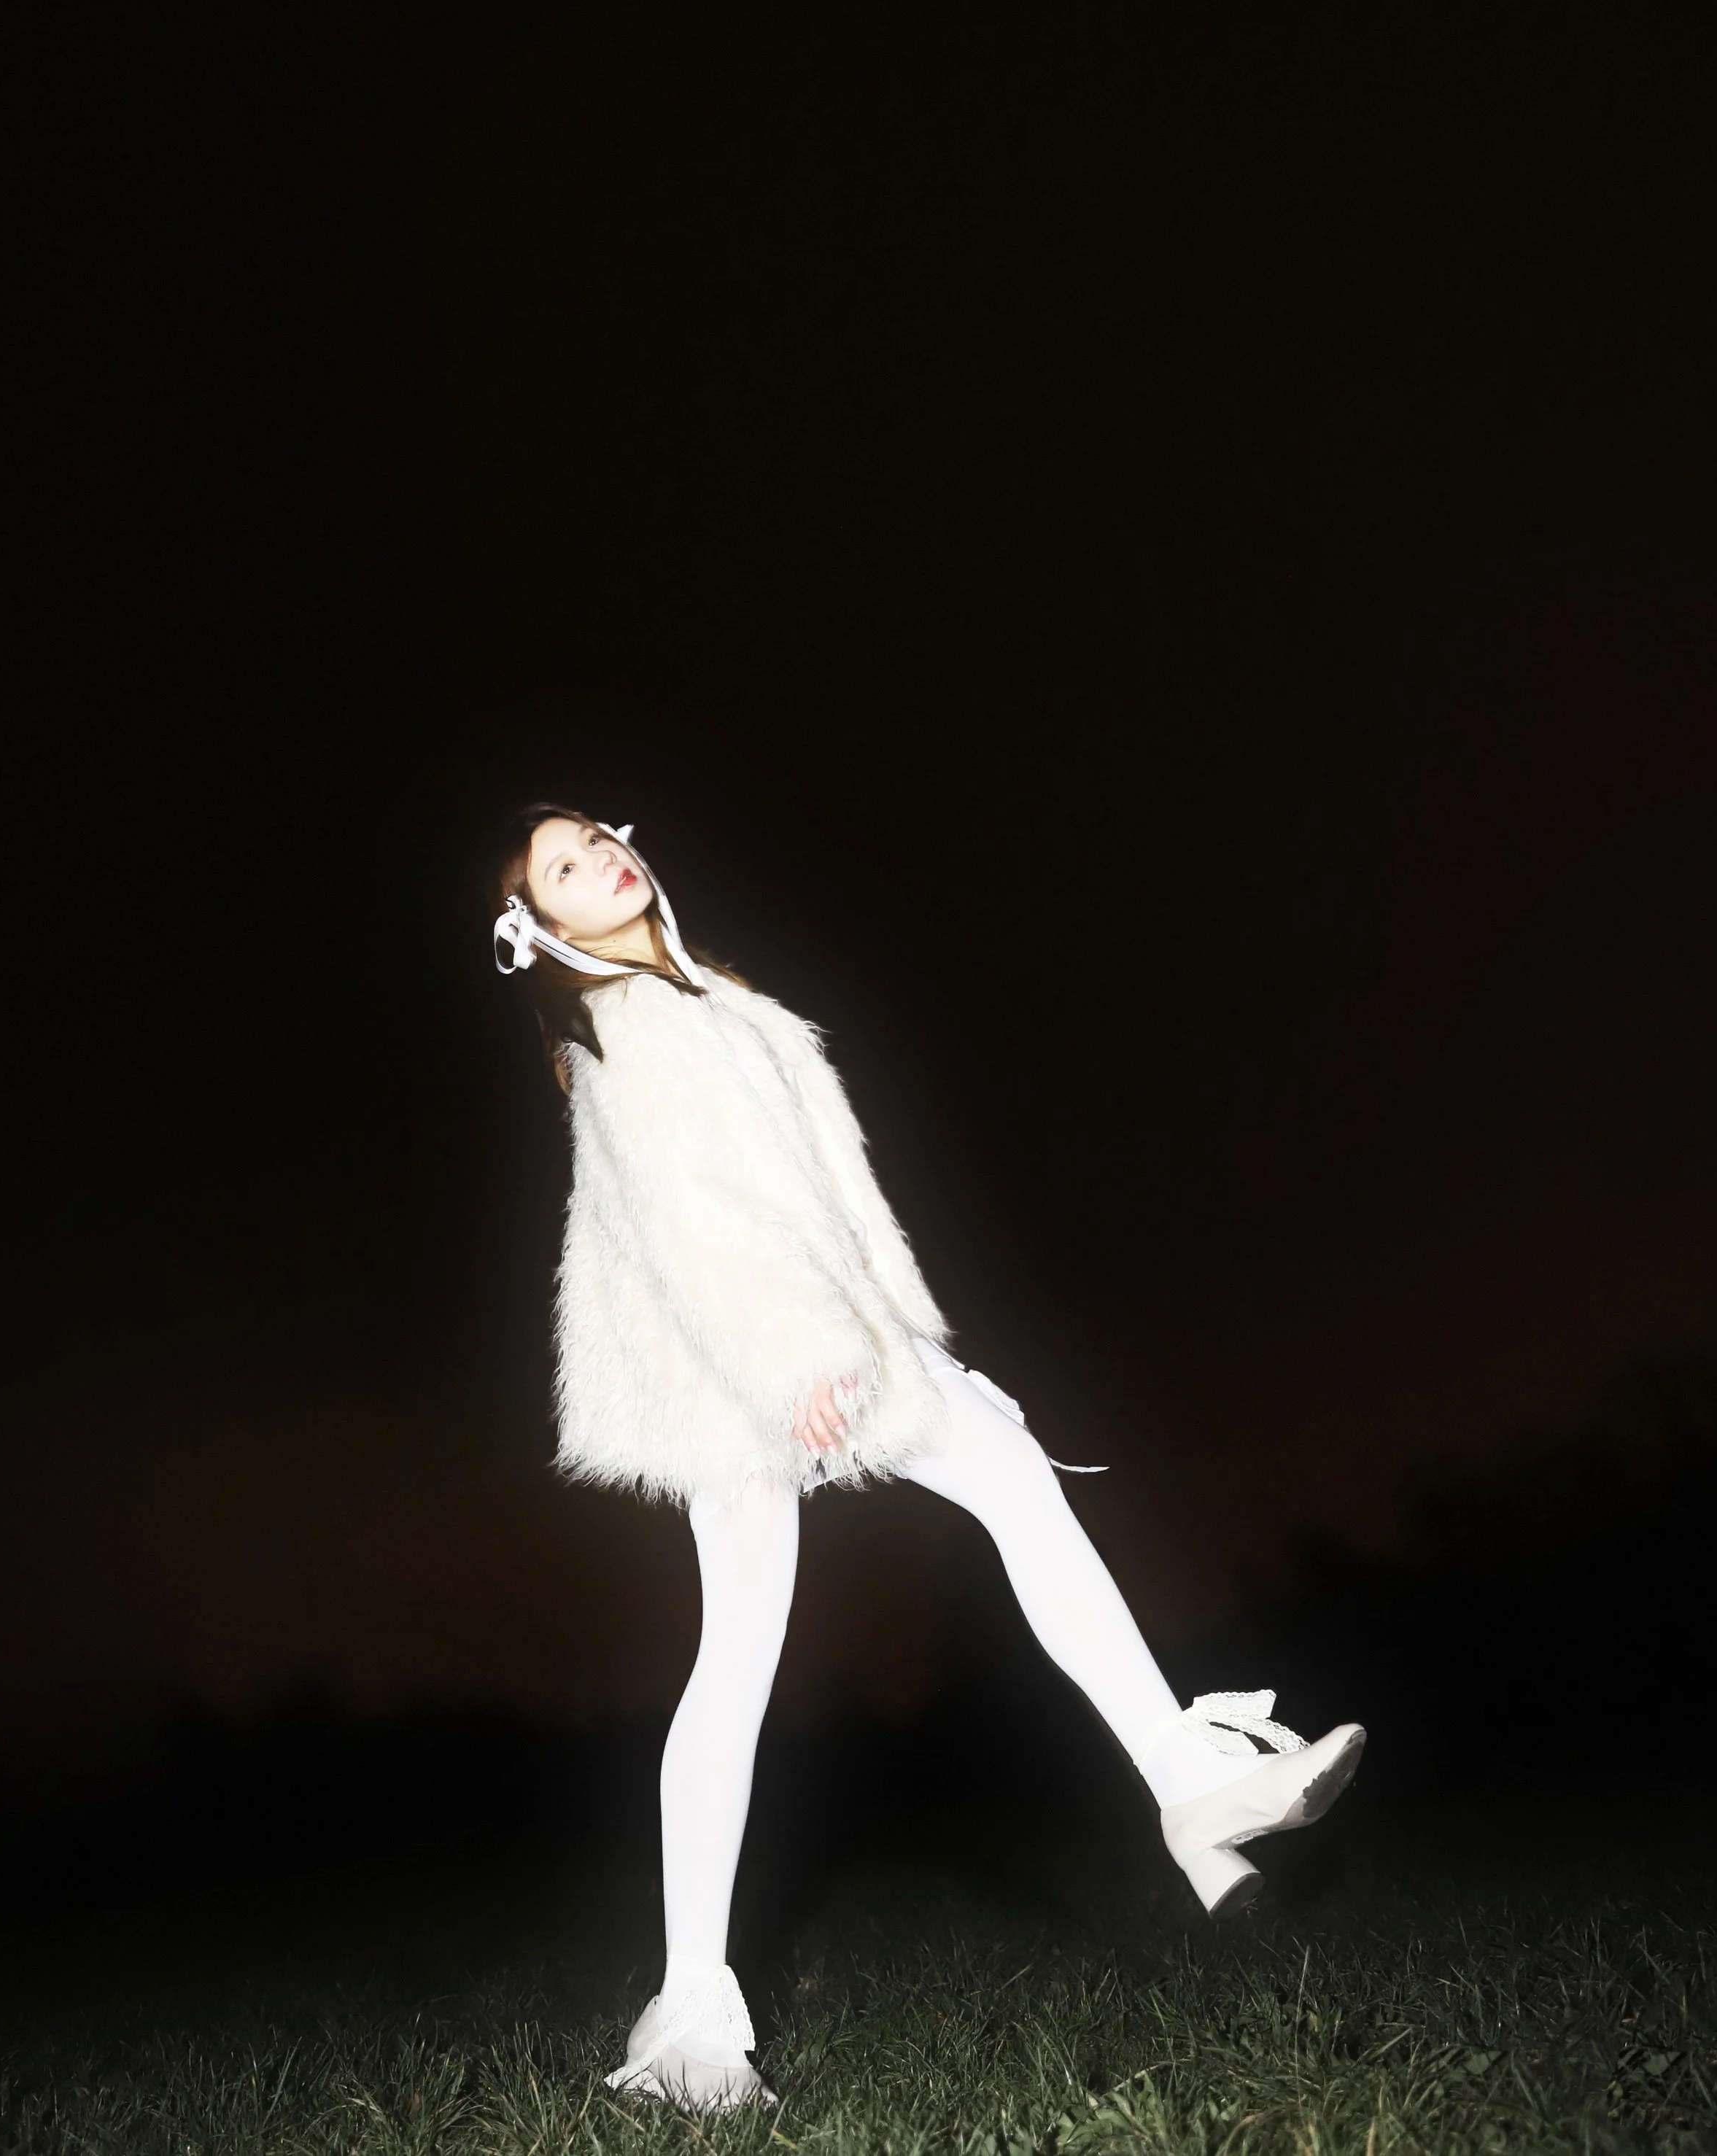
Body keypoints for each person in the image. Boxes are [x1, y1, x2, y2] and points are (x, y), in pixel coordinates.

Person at [494, 806, 1365, 2108]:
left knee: (996, 1481)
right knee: (739, 1658)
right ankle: (693, 2015)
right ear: (542, 927)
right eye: (563, 868)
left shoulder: (718, 1003)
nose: (600, 860)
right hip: (732, 1360)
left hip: (814, 1330)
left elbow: (830, 1206)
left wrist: (912, 1349)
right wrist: (802, 1358)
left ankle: (1188, 1793)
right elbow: (692, 1224)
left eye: (595, 836)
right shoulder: (624, 1028)